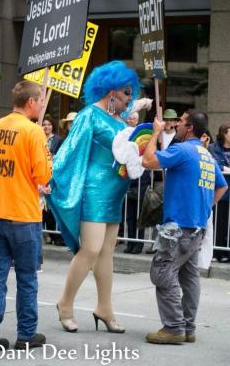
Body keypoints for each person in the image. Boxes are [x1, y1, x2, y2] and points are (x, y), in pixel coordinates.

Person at [47, 61, 140, 334]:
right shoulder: (89, 115)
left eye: (130, 93)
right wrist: (51, 177)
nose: (128, 98)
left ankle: (105, 308)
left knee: (107, 253)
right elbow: (69, 151)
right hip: (93, 190)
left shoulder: (119, 120)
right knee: (90, 249)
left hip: (114, 192)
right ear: (111, 91)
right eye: (125, 92)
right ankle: (65, 304)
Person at [142, 109, 227, 344]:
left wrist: (154, 133)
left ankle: (174, 327)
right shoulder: (206, 155)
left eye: (180, 121)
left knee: (162, 273)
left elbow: (147, 161)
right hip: (196, 227)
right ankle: (188, 328)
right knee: (189, 278)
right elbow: (222, 186)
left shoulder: (182, 149)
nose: (176, 124)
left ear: (189, 128)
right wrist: (204, 207)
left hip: (178, 228)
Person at [0, 80, 52, 351]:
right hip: (23, 215)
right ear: (30, 102)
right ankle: (26, 334)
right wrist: (47, 155)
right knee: (27, 276)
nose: (41, 104)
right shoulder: (33, 132)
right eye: (40, 100)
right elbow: (43, 175)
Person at [208, 123, 230, 261]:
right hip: (221, 191)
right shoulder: (213, 148)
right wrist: (225, 168)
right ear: (224, 134)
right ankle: (217, 251)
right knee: (219, 223)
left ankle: (228, 252)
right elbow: (213, 164)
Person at [42, 115, 63, 246]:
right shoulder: (37, 137)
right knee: (41, 207)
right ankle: (44, 234)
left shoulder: (58, 140)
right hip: (40, 176)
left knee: (51, 207)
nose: (46, 127)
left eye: (49, 124)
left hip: (53, 177)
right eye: (44, 124)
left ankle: (53, 234)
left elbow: (61, 156)